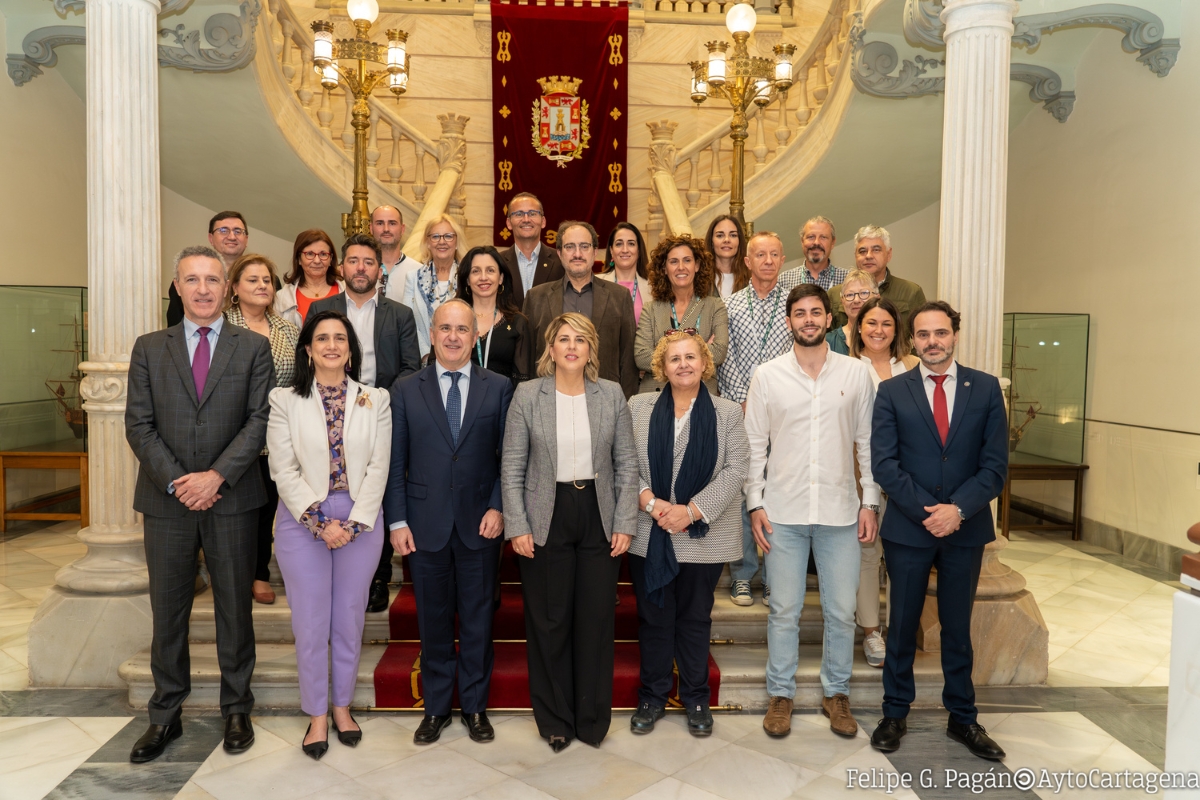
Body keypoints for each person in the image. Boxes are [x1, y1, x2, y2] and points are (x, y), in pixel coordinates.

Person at [125, 245, 274, 763]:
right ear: (177, 287)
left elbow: (259, 420)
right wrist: (179, 482)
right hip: (167, 503)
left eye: (213, 279)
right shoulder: (148, 347)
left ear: (227, 287)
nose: (204, 288)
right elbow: (138, 425)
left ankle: (237, 709)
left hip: (232, 498)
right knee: (169, 612)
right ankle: (165, 714)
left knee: (235, 610)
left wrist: (215, 477)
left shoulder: (253, 347)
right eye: (193, 279)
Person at [869, 301, 1008, 762]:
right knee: (903, 625)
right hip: (909, 529)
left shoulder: (985, 389)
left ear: (954, 335)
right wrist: (930, 511)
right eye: (924, 334)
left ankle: (963, 718)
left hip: (964, 529)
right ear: (912, 340)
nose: (933, 341)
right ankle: (894, 713)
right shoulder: (891, 391)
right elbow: (885, 465)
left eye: (941, 333)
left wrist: (958, 510)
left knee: (957, 628)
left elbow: (994, 467)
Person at [745, 283, 879, 740]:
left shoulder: (857, 374)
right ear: (789, 321)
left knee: (841, 611)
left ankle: (835, 694)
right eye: (799, 312)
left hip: (841, 512)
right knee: (784, 609)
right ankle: (780, 695)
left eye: (816, 312)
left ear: (829, 320)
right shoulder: (767, 375)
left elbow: (868, 444)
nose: (808, 319)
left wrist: (871, 502)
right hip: (782, 510)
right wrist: (754, 504)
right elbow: (752, 447)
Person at [500, 313, 637, 752]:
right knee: (550, 620)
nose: (572, 346)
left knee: (596, 619)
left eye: (581, 339)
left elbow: (627, 464)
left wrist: (625, 523)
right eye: (564, 339)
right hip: (546, 513)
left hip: (598, 512)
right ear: (552, 348)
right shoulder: (527, 394)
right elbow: (512, 466)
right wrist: (518, 524)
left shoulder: (611, 394)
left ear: (591, 347)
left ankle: (592, 719)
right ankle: (556, 718)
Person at [385, 300, 515, 745]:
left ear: (475, 335)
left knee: (479, 620)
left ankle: (475, 708)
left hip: (482, 524)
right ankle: (437, 708)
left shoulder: (498, 387)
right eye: (445, 328)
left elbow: (509, 457)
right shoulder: (404, 389)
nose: (454, 336)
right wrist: (397, 520)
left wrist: (500, 506)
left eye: (462, 329)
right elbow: (394, 462)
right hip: (424, 525)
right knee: (433, 622)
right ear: (433, 334)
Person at [267, 310, 392, 760]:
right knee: (311, 622)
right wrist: (320, 524)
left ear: (351, 350)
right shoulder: (284, 399)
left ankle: (342, 708)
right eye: (322, 338)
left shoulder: (376, 399)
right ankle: (316, 714)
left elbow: (379, 466)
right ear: (308, 348)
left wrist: (353, 523)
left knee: (348, 621)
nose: (332, 345)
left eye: (341, 338)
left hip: (360, 519)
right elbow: (281, 469)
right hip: (303, 522)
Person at [627, 331, 748, 737]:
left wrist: (690, 511)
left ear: (704, 363)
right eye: (674, 358)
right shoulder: (638, 407)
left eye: (690, 357)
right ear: (661, 367)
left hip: (703, 535)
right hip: (650, 528)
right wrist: (651, 504)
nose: (683, 364)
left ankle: (696, 698)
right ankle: (653, 696)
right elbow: (623, 463)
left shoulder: (728, 412)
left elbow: (736, 470)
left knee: (695, 618)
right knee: (654, 618)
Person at [308, 233, 422, 613]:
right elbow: (309, 360)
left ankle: (377, 577)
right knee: (337, 485)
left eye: (368, 262)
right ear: (342, 267)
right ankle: (329, 560)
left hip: (382, 411)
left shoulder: (400, 315)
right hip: (329, 413)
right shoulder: (321, 309)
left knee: (379, 486)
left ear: (380, 269)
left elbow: (409, 369)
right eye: (353, 260)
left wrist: (375, 401)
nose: (360, 268)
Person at [717, 231, 807, 607]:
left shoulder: (795, 307)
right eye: (759, 255)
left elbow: (798, 356)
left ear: (782, 259)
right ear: (747, 261)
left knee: (778, 494)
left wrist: (773, 402)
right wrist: (744, 401)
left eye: (774, 254)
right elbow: (726, 357)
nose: (767, 261)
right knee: (742, 493)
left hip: (784, 413)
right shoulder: (731, 304)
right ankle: (742, 574)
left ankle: (774, 576)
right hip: (740, 410)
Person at [224, 254, 300, 605]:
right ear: (235, 288)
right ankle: (230, 575)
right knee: (234, 512)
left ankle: (258, 574)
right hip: (231, 437)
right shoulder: (222, 325)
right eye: (252, 280)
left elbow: (300, 381)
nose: (262, 286)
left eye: (267, 280)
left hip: (276, 437)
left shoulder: (288, 328)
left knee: (266, 509)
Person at [849, 296, 919, 668]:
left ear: (897, 330)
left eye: (886, 324)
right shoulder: (846, 367)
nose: (878, 330)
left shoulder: (911, 366)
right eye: (871, 323)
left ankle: (899, 629)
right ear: (859, 327)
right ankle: (871, 632)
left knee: (903, 557)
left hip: (908, 477)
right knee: (866, 552)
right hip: (861, 475)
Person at [523, 221, 639, 398]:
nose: (577, 254)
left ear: (594, 252)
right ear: (560, 254)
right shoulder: (536, 298)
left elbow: (628, 360)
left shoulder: (619, 297)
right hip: (549, 401)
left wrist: (625, 404)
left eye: (584, 246)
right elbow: (527, 358)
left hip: (605, 401)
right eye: (570, 247)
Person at [634, 234, 728, 395]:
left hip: (701, 393)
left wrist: (662, 355)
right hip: (656, 394)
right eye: (673, 261)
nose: (681, 267)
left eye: (687, 260)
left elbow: (719, 353)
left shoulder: (714, 306)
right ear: (664, 269)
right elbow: (641, 356)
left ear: (697, 265)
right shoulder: (651, 309)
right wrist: (702, 349)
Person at [456, 245, 531, 384]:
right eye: (476, 271)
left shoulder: (517, 322)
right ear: (467, 279)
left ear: (501, 278)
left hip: (503, 403)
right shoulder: (451, 318)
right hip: (456, 400)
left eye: (490, 270)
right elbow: (434, 365)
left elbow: (523, 381)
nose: (483, 277)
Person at [830, 225, 927, 328]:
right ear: (855, 256)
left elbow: (923, 333)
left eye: (876, 250)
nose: (868, 256)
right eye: (862, 251)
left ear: (888, 254)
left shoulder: (911, 292)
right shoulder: (835, 294)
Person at [166, 211, 250, 326]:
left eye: (238, 231)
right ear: (211, 238)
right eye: (223, 231)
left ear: (246, 239)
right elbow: (175, 329)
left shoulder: (268, 280)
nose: (232, 237)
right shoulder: (185, 282)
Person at [402, 214, 463, 360]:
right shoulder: (413, 277)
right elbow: (407, 322)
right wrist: (426, 354)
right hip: (423, 359)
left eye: (448, 236)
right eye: (435, 236)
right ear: (428, 242)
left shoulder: (467, 278)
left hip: (460, 355)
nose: (442, 242)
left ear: (456, 242)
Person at [499, 192, 564, 307]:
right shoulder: (498, 262)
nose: (526, 219)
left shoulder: (561, 260)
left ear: (543, 221)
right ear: (509, 223)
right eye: (519, 214)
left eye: (532, 213)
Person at [276, 229, 343, 329]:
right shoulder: (282, 297)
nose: (317, 260)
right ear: (299, 259)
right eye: (310, 254)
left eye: (323, 254)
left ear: (331, 259)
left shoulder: (346, 291)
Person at [597, 222, 651, 326]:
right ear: (611, 250)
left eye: (631, 244)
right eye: (619, 244)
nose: (625, 250)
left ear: (639, 250)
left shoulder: (653, 287)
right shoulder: (596, 284)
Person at [371, 205, 417, 303]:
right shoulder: (361, 270)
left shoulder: (418, 271)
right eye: (380, 223)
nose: (386, 229)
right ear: (371, 228)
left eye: (392, 223)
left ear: (402, 229)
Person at [826, 269, 878, 355]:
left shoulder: (884, 338)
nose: (856, 300)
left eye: (864, 293)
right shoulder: (828, 342)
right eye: (850, 295)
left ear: (877, 297)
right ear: (842, 301)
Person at [705, 215, 749, 300]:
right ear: (712, 242)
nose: (726, 240)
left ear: (739, 241)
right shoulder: (699, 278)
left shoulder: (751, 278)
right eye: (720, 235)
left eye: (733, 235)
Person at [797, 215, 847, 290]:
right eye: (811, 237)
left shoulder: (847, 279)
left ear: (832, 243)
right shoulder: (784, 280)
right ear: (802, 241)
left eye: (823, 237)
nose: (816, 242)